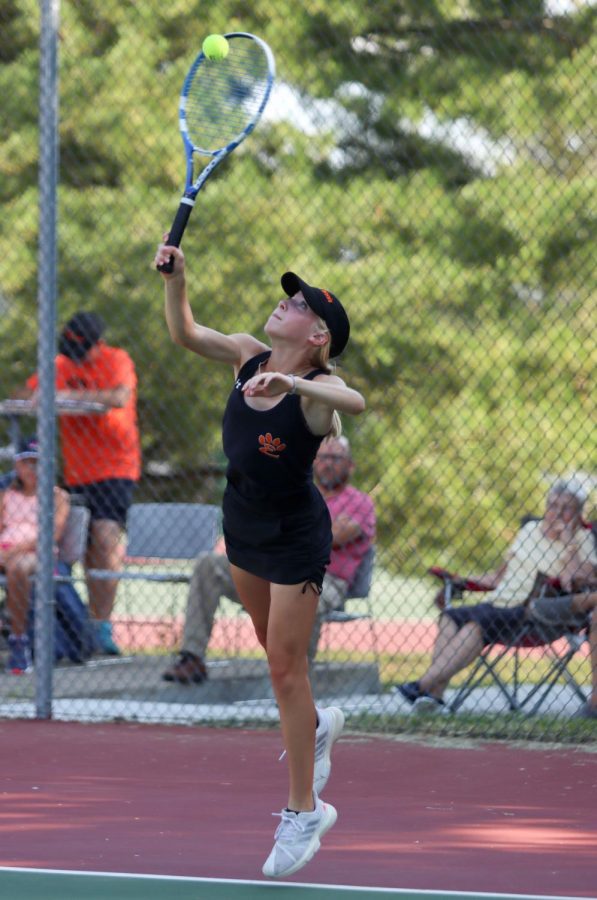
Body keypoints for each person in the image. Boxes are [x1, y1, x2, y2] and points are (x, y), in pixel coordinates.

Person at [155, 236, 366, 878]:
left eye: (300, 303)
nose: (285, 302)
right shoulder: (248, 357)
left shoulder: (315, 389)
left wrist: (298, 380)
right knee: (277, 660)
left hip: (296, 535)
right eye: (288, 294)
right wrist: (176, 278)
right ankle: (319, 723)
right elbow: (186, 333)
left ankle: (305, 814)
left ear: (319, 336)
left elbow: (353, 403)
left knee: (283, 669)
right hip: (241, 525)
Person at [162, 436, 376, 684]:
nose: (328, 463)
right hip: (273, 570)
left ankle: (297, 683)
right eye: (323, 457)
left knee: (306, 594)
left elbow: (333, 537)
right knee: (208, 564)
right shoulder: (297, 493)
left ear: (350, 465)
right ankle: (192, 658)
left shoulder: (360, 502)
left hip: (324, 577)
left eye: (336, 458)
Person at [395, 478, 597, 714]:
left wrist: (568, 543)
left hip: (532, 611)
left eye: (566, 508)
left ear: (578, 512)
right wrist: (461, 580)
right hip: (499, 602)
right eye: (552, 505)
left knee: (476, 625)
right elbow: (498, 577)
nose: (557, 513)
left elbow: (570, 583)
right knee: (450, 616)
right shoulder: (530, 530)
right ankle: (434, 697)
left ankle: (421, 685)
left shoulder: (582, 539)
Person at [19, 312, 141, 655]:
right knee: (81, 549)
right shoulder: (60, 365)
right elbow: (30, 395)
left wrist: (68, 400)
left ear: (97, 344)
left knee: (105, 539)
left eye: (82, 352)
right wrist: (48, 396)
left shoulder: (116, 359)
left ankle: (102, 624)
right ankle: (82, 625)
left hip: (116, 467)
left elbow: (118, 397)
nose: (75, 360)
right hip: (76, 472)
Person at [0, 437, 70, 674]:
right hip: (5, 551)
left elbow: (52, 533)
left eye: (37, 463)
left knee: (18, 567)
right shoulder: (7, 495)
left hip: (37, 554)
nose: (32, 469)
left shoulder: (57, 496)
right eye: (26, 463)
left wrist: (13, 551)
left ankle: (19, 643)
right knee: (12, 564)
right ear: (17, 467)